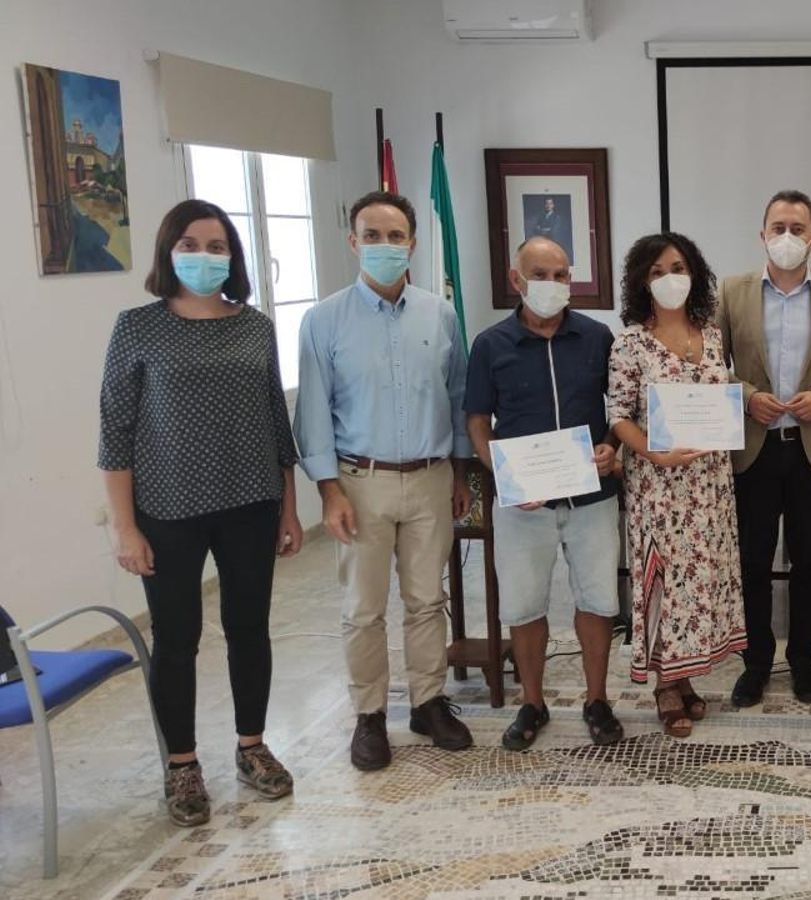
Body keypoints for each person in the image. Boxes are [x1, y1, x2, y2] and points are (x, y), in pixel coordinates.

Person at [99, 199, 301, 826]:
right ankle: (182, 764)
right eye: (191, 244)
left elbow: (277, 424)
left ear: (233, 258)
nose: (205, 257)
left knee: (248, 629)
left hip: (250, 503)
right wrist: (124, 525)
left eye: (218, 247)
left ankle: (251, 745)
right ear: (167, 252)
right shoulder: (136, 328)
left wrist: (289, 512)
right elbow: (115, 432)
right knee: (177, 638)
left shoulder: (254, 326)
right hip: (168, 510)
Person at [295, 190, 475, 771]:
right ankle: (369, 715)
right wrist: (327, 490)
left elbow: (457, 395)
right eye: (371, 236)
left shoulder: (440, 314)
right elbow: (314, 411)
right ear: (353, 243)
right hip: (359, 481)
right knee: (363, 607)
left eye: (395, 236)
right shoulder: (323, 321)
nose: (384, 246)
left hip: (429, 476)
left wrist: (461, 469)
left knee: (427, 599)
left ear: (413, 244)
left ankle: (428, 700)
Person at [464, 236, 625, 750]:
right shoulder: (490, 345)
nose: (553, 285)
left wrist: (609, 447)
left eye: (561, 275)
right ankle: (532, 704)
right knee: (524, 606)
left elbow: (619, 409)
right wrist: (505, 476)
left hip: (592, 499)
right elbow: (476, 420)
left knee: (598, 601)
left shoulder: (598, 337)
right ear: (516, 279)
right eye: (540, 275)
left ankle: (596, 700)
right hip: (522, 504)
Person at [714, 189, 811, 707]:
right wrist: (749, 397)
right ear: (762, 234)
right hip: (752, 448)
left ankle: (803, 662)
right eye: (777, 227)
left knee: (809, 561)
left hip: (810, 448)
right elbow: (711, 366)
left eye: (797, 229)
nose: (786, 238)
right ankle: (755, 664)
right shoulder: (730, 292)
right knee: (752, 562)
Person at [608, 232, 747, 737]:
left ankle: (687, 678)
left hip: (709, 486)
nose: (671, 279)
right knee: (664, 580)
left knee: (699, 581)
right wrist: (652, 451)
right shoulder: (630, 342)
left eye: (679, 267)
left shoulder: (711, 336)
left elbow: (722, 396)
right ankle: (666, 683)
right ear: (642, 282)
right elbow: (618, 414)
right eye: (658, 271)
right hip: (659, 486)